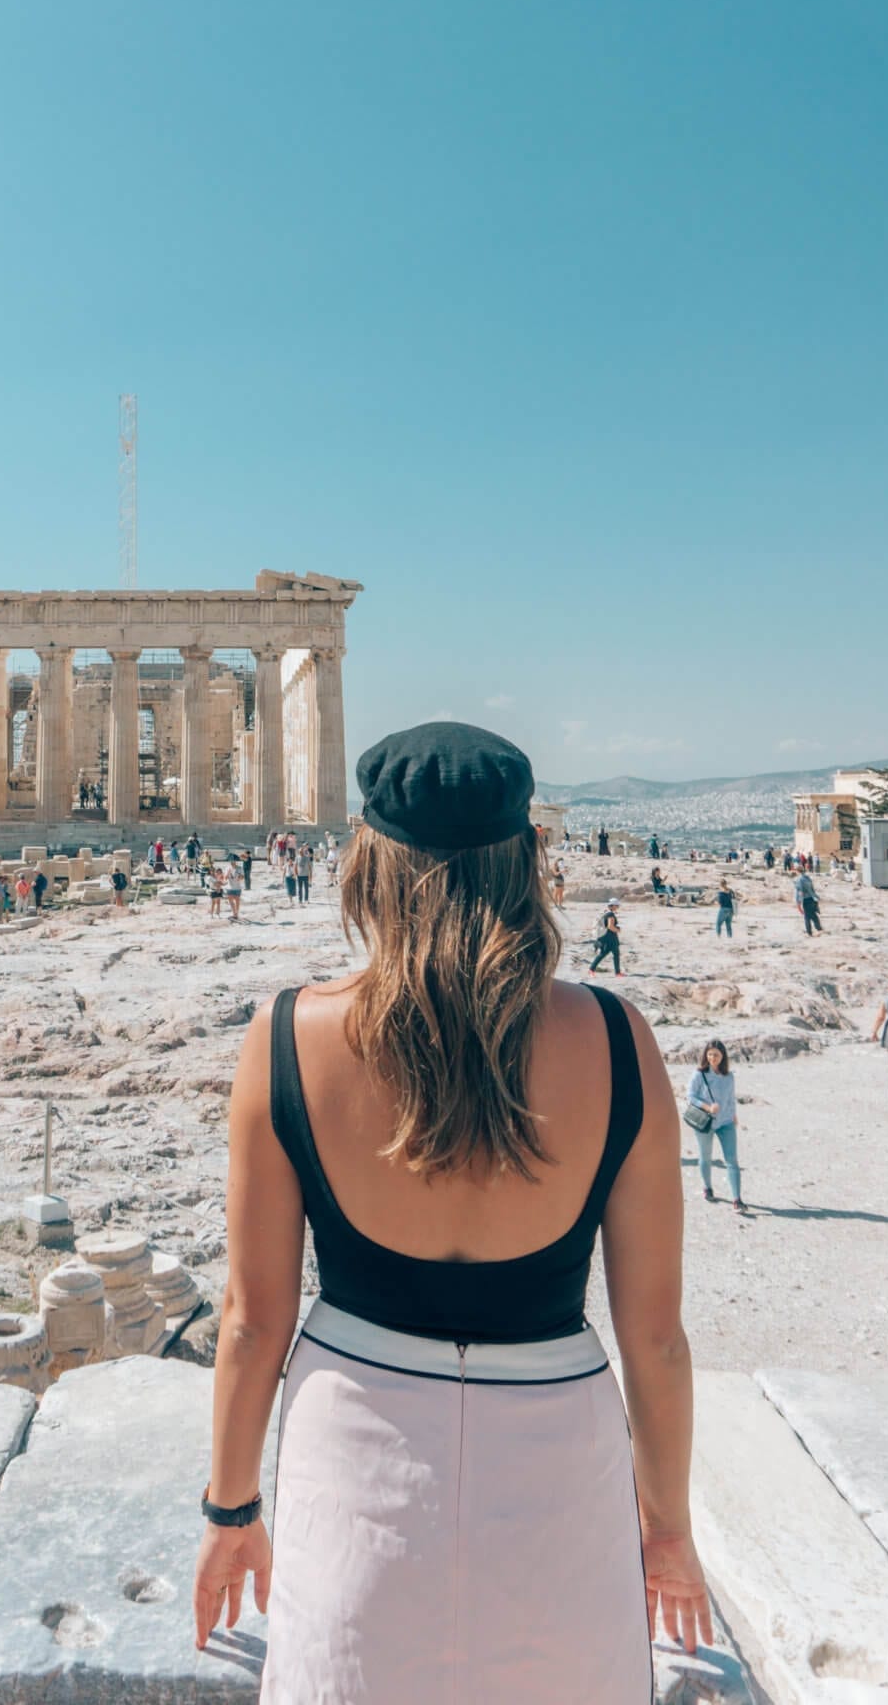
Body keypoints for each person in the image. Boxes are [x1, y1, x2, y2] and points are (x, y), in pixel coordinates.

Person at [194, 720, 708, 1695]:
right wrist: (668, 1532)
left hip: (356, 1462)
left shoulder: (283, 1039)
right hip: (558, 1466)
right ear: (527, 860)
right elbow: (659, 1343)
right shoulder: (617, 1038)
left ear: (367, 866)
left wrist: (229, 1514)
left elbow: (251, 1323)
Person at [687, 1040, 744, 1211]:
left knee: (732, 1160)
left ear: (723, 1056)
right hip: (705, 1122)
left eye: (716, 1055)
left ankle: (737, 1199)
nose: (712, 1058)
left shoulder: (729, 1076)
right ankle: (707, 1188)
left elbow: (731, 1098)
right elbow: (690, 1096)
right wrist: (707, 1107)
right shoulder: (699, 1074)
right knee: (706, 1157)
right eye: (710, 1054)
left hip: (726, 1122)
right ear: (706, 1055)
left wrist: (734, 1116)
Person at [589, 901, 623, 976]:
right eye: (617, 905)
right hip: (610, 937)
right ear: (612, 906)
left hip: (604, 936)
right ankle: (617, 973)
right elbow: (610, 926)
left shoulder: (604, 912)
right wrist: (618, 930)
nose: (618, 907)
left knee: (608, 953)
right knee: (612, 954)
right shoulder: (610, 914)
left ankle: (617, 973)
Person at [794, 869, 822, 935]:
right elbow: (812, 890)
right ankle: (819, 929)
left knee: (807, 917)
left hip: (806, 900)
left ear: (797, 871)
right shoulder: (808, 878)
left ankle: (809, 932)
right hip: (812, 899)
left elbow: (800, 892)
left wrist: (798, 904)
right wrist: (817, 897)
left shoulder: (799, 880)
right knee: (813, 915)